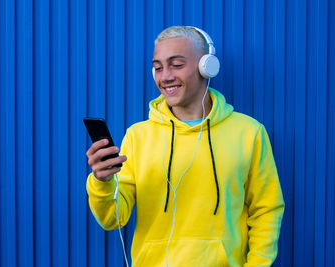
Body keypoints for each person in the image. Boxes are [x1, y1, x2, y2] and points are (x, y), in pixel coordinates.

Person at [86, 26, 284, 266]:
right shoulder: (138, 136)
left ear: (206, 66)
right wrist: (102, 183)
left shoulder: (249, 132)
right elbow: (113, 219)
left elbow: (266, 211)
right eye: (158, 67)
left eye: (176, 65)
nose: (165, 76)